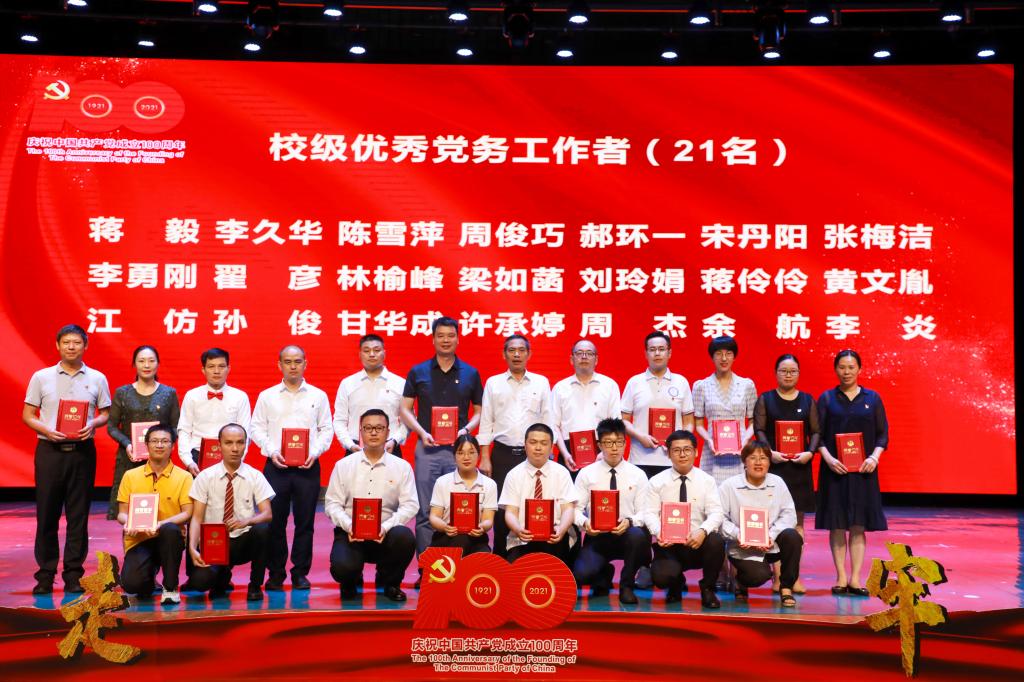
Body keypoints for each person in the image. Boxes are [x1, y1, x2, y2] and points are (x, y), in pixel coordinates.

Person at [23, 324, 111, 595]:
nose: (71, 347)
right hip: (49, 452)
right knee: (46, 515)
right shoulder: (41, 377)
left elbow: (106, 413)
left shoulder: (97, 378)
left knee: (78, 516)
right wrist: (47, 429)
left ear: (86, 346)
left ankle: (73, 574)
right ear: (57, 346)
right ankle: (45, 574)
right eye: (66, 342)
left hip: (82, 453)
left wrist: (93, 423)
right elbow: (28, 415)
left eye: (77, 342)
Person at [249, 345, 333, 591]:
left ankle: (300, 573)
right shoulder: (267, 396)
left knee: (305, 523)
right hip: (276, 466)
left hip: (308, 466)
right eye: (288, 362)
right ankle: (275, 573)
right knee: (275, 522)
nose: (293, 366)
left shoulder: (318, 396)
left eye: (297, 361)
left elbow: (326, 429)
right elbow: (256, 428)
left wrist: (314, 452)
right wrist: (271, 450)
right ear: (279, 365)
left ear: (306, 363)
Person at [400, 316, 483, 555]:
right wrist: (421, 432)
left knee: (460, 509)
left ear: (458, 339)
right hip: (427, 449)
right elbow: (405, 409)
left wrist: (465, 430)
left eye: (451, 336)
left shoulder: (471, 373)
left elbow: (479, 412)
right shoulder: (418, 372)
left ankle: (456, 562)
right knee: (426, 510)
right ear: (433, 339)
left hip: (460, 451)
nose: (446, 340)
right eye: (441, 336)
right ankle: (428, 566)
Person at [816, 349, 889, 597]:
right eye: (842, 367)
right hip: (834, 470)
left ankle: (856, 578)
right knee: (836, 525)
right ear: (835, 369)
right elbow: (817, 435)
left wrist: (874, 457)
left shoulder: (873, 398)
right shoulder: (827, 399)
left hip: (864, 471)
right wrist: (828, 459)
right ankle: (840, 577)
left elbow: (883, 434)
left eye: (851, 367)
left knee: (858, 524)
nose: (846, 372)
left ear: (859, 369)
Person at [325, 409, 418, 602]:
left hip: (386, 533)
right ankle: (350, 581)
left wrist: (385, 527)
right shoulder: (344, 465)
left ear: (388, 431)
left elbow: (410, 505)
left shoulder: (402, 467)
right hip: (350, 534)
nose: (373, 432)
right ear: (361, 431)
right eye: (368, 428)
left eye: (379, 428)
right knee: (343, 567)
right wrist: (350, 526)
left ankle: (390, 582)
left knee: (404, 537)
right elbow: (332, 504)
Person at [477, 333, 554, 558]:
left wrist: (548, 453)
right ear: (504, 354)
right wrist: (485, 457)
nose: (517, 354)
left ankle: (531, 556)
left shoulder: (541, 382)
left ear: (529, 354)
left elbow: (547, 419)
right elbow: (487, 421)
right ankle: (502, 558)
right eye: (512, 350)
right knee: (503, 509)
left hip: (534, 455)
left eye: (521, 350)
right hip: (502, 454)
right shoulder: (493, 383)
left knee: (534, 505)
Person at [753, 353, 819, 594]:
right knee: (772, 522)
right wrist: (769, 452)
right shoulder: (766, 399)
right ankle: (778, 577)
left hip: (799, 467)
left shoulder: (808, 400)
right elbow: (759, 429)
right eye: (783, 371)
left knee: (797, 524)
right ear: (776, 373)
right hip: (775, 466)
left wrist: (810, 452)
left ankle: (793, 577)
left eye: (792, 371)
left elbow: (816, 431)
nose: (788, 375)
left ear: (799, 374)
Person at [187, 423, 274, 602]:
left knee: (263, 530)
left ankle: (255, 585)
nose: (235, 448)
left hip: (242, 542)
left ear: (246, 445)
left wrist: (246, 521)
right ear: (219, 445)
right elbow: (196, 518)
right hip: (214, 543)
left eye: (240, 443)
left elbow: (267, 514)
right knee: (200, 582)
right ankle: (222, 577)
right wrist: (192, 548)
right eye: (228, 443)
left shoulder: (255, 475)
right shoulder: (205, 476)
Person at [641, 430, 725, 609]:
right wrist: (659, 532)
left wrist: (702, 531)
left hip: (698, 543)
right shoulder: (656, 481)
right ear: (669, 453)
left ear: (696, 452)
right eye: (676, 450)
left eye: (687, 449)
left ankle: (708, 588)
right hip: (668, 545)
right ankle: (676, 584)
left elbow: (717, 513)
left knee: (716, 540)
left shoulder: (707, 481)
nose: (682, 454)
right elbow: (649, 513)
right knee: (661, 578)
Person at [571, 418, 650, 604]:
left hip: (628, 534)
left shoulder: (638, 475)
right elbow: (575, 509)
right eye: (608, 443)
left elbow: (645, 512)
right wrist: (585, 523)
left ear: (625, 443)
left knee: (637, 536)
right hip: (597, 535)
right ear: (599, 445)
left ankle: (626, 586)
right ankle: (604, 573)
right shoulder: (586, 473)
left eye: (619, 442)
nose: (614, 448)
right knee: (581, 575)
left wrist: (629, 522)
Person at [719, 440, 802, 608]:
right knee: (758, 576)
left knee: (793, 536)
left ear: (769, 462)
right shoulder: (729, 485)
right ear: (744, 461)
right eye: (753, 458)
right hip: (742, 547)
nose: (758, 462)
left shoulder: (778, 482)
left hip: (771, 545)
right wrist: (738, 534)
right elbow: (719, 518)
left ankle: (786, 587)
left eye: (763, 458)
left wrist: (770, 536)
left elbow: (789, 514)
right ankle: (740, 581)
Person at [115, 424, 192, 604]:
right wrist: (129, 523)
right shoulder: (130, 476)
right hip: (139, 538)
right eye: (155, 441)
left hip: (170, 538)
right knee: (132, 585)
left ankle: (170, 587)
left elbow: (188, 513)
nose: (159, 445)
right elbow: (121, 514)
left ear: (173, 446)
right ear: (146, 445)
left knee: (170, 530)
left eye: (165, 441)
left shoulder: (184, 477)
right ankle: (148, 578)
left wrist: (161, 524)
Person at [106, 345, 180, 520]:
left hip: (160, 460)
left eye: (151, 361)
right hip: (129, 458)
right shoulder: (122, 393)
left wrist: (165, 444)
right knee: (129, 511)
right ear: (134, 364)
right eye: (141, 361)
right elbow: (111, 426)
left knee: (162, 509)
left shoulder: (169, 393)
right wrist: (128, 444)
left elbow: (176, 427)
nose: (147, 365)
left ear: (158, 364)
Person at [621, 331, 695, 479]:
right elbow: (624, 420)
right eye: (652, 349)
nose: (657, 353)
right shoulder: (634, 382)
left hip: (673, 460)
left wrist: (680, 444)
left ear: (669, 353)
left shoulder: (681, 382)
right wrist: (640, 436)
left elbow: (688, 422)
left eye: (661, 349)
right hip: (640, 459)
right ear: (646, 354)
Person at [498, 423, 577, 563]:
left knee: (558, 572)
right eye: (533, 442)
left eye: (544, 443)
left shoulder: (562, 473)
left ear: (551, 447)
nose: (538, 448)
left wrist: (561, 528)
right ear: (525, 445)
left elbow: (568, 509)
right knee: (516, 573)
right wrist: (518, 529)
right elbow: (510, 512)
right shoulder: (514, 475)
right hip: (522, 538)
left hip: (555, 536)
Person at [691, 335, 757, 486]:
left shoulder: (746, 385)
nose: (724, 358)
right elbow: (698, 424)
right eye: (719, 354)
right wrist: (709, 440)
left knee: (739, 491)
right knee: (712, 492)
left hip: (740, 449)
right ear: (712, 357)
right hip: (713, 449)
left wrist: (745, 440)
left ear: (734, 356)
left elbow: (753, 421)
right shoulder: (701, 386)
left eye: (728, 353)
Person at [177, 348, 251, 476]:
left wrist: (237, 461)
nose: (216, 371)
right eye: (211, 366)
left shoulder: (240, 397)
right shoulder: (192, 395)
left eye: (221, 366)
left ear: (228, 368)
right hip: (196, 457)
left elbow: (246, 434)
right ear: (203, 370)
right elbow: (184, 430)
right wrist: (188, 462)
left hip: (230, 456)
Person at [551, 339, 622, 471]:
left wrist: (604, 452)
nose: (584, 357)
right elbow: (554, 425)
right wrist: (565, 454)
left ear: (596, 360)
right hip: (568, 452)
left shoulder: (609, 385)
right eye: (579, 353)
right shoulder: (560, 388)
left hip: (601, 450)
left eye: (589, 353)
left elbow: (616, 423)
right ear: (571, 359)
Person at [333, 334, 407, 457]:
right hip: (355, 448)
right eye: (366, 351)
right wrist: (349, 445)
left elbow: (408, 420)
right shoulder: (347, 383)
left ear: (384, 353)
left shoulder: (400, 383)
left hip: (390, 447)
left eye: (377, 350)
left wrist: (395, 440)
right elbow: (339, 420)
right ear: (360, 354)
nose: (372, 354)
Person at [428, 434, 498, 556]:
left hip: (476, 539)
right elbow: (434, 517)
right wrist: (445, 527)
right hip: (446, 537)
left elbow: (488, 520)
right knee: (460, 538)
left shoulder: (489, 484)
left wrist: (481, 527)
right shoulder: (442, 482)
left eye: (471, 452)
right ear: (454, 456)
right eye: (460, 453)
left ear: (479, 455)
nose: (466, 457)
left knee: (483, 558)